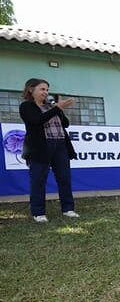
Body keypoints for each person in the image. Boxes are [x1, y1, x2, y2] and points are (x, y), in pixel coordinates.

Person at [19, 78, 79, 222]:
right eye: (42, 89)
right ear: (31, 90)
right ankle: (38, 212)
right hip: (40, 147)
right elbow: (36, 120)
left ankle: (68, 209)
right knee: (38, 180)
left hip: (60, 145)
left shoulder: (51, 106)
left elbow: (66, 124)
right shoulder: (26, 106)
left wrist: (58, 109)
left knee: (64, 178)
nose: (46, 92)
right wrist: (57, 108)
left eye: (47, 90)